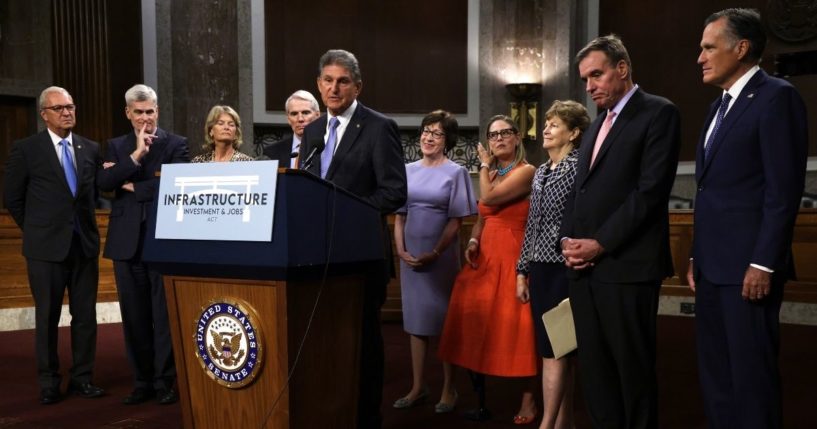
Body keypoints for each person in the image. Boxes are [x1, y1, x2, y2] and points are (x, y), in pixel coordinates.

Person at [688, 9, 808, 429]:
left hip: (748, 270)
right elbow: (710, 192)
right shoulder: (716, 107)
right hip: (710, 269)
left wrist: (763, 262)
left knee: (751, 379)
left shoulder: (777, 97)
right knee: (717, 378)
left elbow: (782, 191)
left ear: (741, 48)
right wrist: (694, 257)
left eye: (708, 47)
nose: (699, 57)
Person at [559, 35, 681, 428]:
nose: (590, 85)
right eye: (585, 79)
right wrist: (569, 243)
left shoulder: (658, 113)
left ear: (622, 68)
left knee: (633, 373)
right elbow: (581, 193)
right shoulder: (596, 127)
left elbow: (650, 193)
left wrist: (600, 244)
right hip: (585, 272)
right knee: (596, 375)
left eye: (596, 74)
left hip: (628, 267)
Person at [298, 49, 407, 429]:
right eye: (327, 80)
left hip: (360, 255)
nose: (334, 87)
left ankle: (365, 418)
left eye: (342, 80)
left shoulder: (378, 126)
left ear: (357, 86)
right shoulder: (311, 131)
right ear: (318, 84)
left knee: (361, 343)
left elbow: (394, 192)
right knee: (323, 341)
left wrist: (345, 211)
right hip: (314, 257)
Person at [3, 86, 105, 404]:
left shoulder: (90, 148)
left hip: (84, 246)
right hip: (45, 249)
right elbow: (13, 198)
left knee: (85, 317)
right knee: (47, 317)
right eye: (59, 108)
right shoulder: (27, 149)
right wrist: (36, 230)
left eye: (70, 106)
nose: (67, 112)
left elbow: (93, 195)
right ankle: (49, 382)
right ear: (44, 114)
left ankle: (82, 378)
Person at [438, 115, 538, 424]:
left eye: (505, 133)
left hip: (513, 253)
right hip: (487, 254)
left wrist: (482, 166)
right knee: (472, 316)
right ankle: (469, 391)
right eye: (493, 135)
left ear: (518, 137)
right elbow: (483, 215)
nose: (498, 139)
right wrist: (472, 240)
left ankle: (528, 401)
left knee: (520, 328)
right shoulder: (493, 173)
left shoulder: (527, 171)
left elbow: (491, 199)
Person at [97, 84, 190, 405]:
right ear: (128, 113)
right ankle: (142, 382)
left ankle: (166, 381)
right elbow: (105, 185)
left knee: (164, 318)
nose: (145, 119)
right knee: (134, 317)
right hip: (126, 244)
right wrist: (136, 156)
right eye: (139, 113)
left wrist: (132, 185)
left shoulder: (177, 144)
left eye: (150, 112)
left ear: (157, 111)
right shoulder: (115, 146)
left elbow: (176, 188)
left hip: (163, 242)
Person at [392, 110, 477, 414]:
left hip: (439, 260)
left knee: (444, 323)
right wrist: (400, 250)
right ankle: (418, 387)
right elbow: (400, 215)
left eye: (437, 133)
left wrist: (437, 252)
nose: (428, 137)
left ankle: (448, 388)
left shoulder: (457, 172)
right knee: (415, 323)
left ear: (448, 140)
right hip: (410, 256)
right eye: (426, 131)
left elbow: (457, 221)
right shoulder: (407, 169)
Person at [516, 100, 589, 429]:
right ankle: (563, 423)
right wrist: (522, 270)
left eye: (555, 124)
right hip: (540, 269)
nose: (545, 129)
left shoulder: (579, 167)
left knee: (558, 350)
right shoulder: (542, 170)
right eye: (546, 123)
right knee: (556, 349)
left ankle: (548, 424)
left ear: (573, 133)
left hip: (566, 269)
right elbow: (531, 225)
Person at [263, 90, 320, 167]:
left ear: (317, 115)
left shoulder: (329, 148)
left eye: (305, 113)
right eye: (294, 114)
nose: (300, 119)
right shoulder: (271, 152)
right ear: (288, 119)